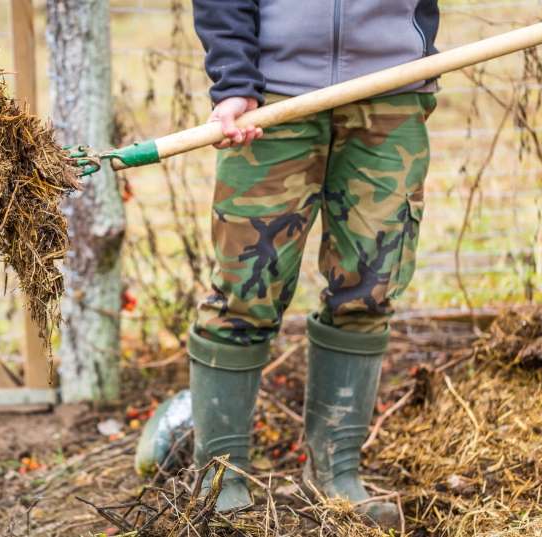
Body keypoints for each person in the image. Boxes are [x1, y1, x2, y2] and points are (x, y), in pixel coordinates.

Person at [136, 0, 441, 527]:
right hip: (270, 100)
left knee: (370, 286)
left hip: (394, 90)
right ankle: (222, 478)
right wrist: (234, 80)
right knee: (245, 290)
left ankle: (337, 474)